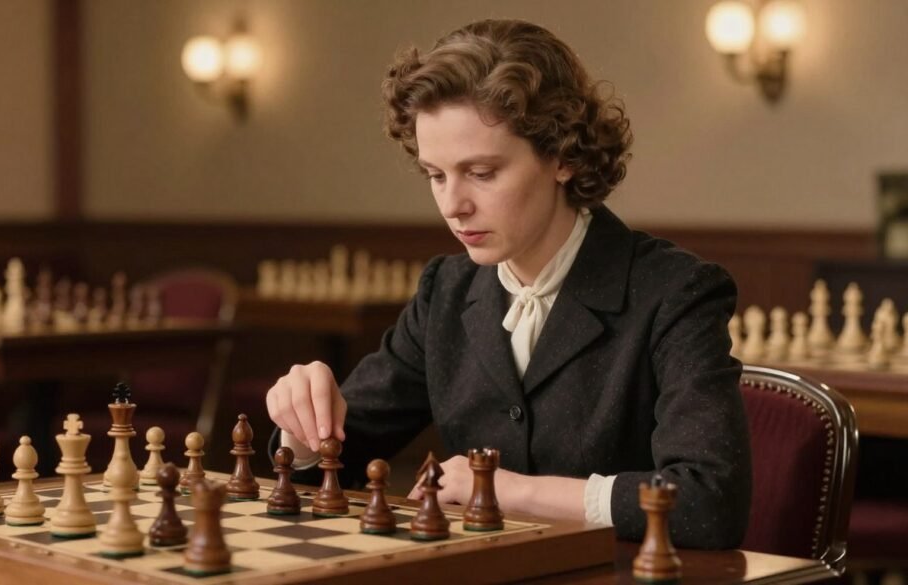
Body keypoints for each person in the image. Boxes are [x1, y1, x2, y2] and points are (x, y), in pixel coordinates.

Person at [265, 19, 751, 549]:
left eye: (482, 172)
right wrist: (302, 429)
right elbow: (333, 463)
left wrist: (518, 493)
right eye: (436, 175)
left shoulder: (675, 291)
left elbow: (709, 503)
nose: (453, 206)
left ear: (563, 156)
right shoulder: (444, 291)